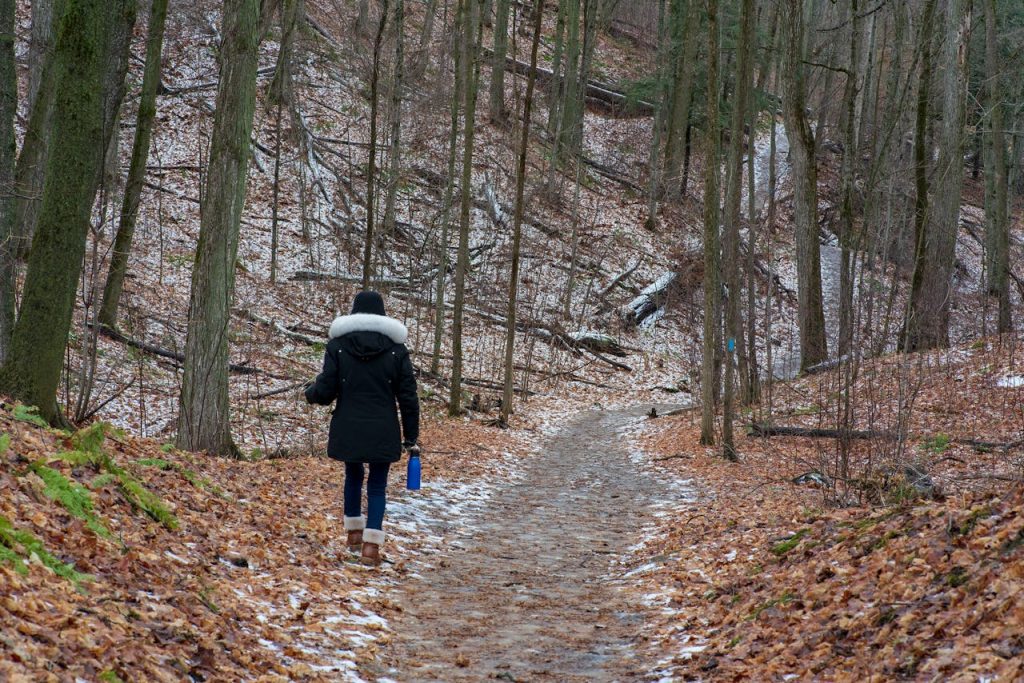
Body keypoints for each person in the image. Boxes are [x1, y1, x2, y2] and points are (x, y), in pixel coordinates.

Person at [305, 291, 420, 566]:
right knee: (378, 485)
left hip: (349, 424)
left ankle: (353, 536)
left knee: (353, 476)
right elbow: (408, 396)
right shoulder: (397, 350)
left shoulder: (338, 346)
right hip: (384, 427)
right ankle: (371, 548)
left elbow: (326, 388)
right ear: (382, 314)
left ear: (354, 314)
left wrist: (311, 393)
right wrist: (411, 436)